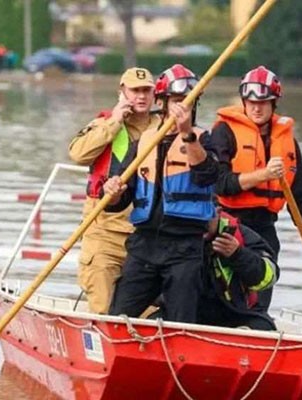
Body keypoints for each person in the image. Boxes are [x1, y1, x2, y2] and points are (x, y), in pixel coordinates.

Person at [103, 64, 219, 323]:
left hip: (185, 247)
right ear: (163, 102)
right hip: (145, 245)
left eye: (188, 102)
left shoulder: (204, 139)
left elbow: (208, 176)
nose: (183, 108)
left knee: (181, 320)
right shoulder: (142, 143)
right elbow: (120, 198)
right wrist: (112, 192)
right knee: (118, 316)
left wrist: (187, 134)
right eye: (178, 101)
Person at [210, 65, 302, 310]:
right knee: (224, 297)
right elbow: (221, 184)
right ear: (243, 101)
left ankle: (257, 327)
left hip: (264, 229)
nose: (256, 107)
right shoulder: (224, 133)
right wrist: (264, 174)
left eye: (263, 102)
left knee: (259, 297)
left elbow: (301, 201)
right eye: (250, 101)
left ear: (274, 103)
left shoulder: (288, 143)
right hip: (229, 225)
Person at [68, 67, 160, 313]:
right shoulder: (105, 123)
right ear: (122, 93)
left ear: (155, 94)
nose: (141, 96)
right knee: (103, 309)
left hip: (146, 236)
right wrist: (114, 122)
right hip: (105, 234)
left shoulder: (165, 126)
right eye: (135, 91)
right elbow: (78, 154)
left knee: (149, 312)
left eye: (146, 91)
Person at [199, 210, 279, 330]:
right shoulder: (171, 233)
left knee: (263, 326)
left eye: (206, 216)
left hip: (234, 311)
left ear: (218, 211)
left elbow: (270, 275)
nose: (201, 223)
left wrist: (238, 255)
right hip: (186, 310)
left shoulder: (241, 234)